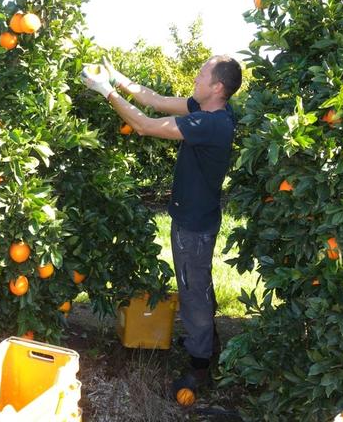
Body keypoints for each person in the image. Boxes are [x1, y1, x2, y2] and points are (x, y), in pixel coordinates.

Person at [80, 55, 242, 394]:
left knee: (192, 291)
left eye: (202, 73)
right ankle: (207, 342)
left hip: (193, 228)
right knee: (199, 284)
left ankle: (199, 368)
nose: (196, 77)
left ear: (217, 87)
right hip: (198, 218)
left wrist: (105, 91)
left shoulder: (211, 125)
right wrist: (118, 78)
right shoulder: (207, 108)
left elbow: (144, 125)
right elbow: (153, 100)